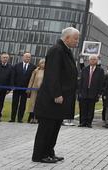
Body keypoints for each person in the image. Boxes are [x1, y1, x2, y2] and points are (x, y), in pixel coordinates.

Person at [32, 27, 80, 164]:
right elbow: (52, 74)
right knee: (46, 128)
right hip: (52, 99)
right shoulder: (57, 50)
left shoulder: (65, 51)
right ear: (67, 38)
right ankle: (39, 155)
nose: (77, 41)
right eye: (75, 38)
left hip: (60, 99)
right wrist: (56, 94)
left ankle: (49, 152)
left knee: (54, 127)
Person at [78, 54, 105, 128]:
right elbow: (81, 81)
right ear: (89, 61)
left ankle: (89, 122)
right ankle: (82, 122)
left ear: (96, 61)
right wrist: (79, 92)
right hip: (84, 92)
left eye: (94, 59)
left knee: (91, 108)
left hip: (93, 92)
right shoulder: (84, 69)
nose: (93, 60)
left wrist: (99, 93)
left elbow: (101, 83)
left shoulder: (100, 70)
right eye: (91, 59)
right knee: (83, 108)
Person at [10, 52, 36, 123]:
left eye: (29, 57)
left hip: (26, 89)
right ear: (23, 57)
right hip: (16, 88)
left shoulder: (33, 67)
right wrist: (12, 85)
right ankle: (12, 118)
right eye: (26, 57)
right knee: (14, 103)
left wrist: (30, 88)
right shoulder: (16, 66)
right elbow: (13, 76)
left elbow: (33, 78)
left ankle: (20, 118)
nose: (28, 58)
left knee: (23, 104)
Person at [26, 59, 45, 123]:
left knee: (40, 104)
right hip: (34, 90)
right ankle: (31, 118)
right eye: (42, 63)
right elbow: (31, 80)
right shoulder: (35, 71)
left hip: (43, 91)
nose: (43, 64)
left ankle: (38, 118)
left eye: (44, 63)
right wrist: (29, 88)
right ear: (39, 64)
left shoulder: (48, 71)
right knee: (32, 104)